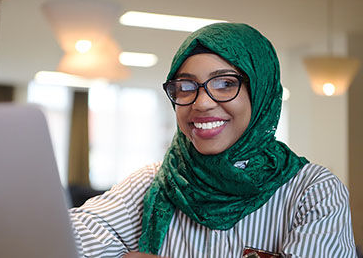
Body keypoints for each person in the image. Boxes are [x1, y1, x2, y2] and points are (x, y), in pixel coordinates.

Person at [69, 23, 357, 258]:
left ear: (260, 93)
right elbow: (62, 239)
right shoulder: (155, 182)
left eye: (225, 84)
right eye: (185, 86)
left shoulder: (314, 192)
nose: (202, 103)